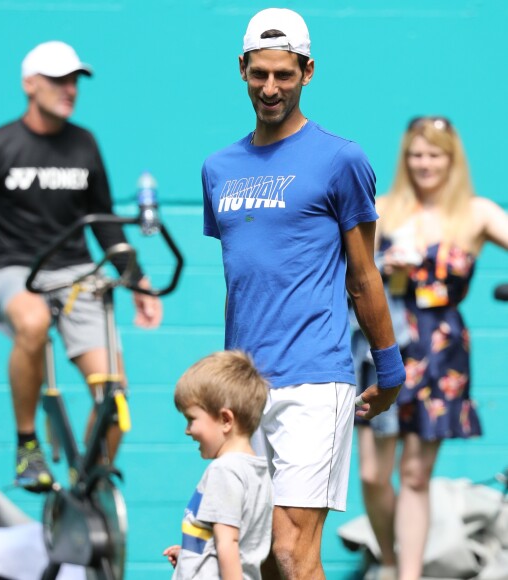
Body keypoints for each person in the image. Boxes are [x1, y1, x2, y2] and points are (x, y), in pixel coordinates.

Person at [201, 8, 406, 580]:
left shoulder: (341, 159)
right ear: (241, 69)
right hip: (245, 389)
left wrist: (388, 370)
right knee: (257, 552)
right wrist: (225, 378)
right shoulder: (218, 168)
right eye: (259, 74)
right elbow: (238, 280)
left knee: (293, 552)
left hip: (315, 378)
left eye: (284, 75)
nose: (271, 88)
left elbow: (363, 275)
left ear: (307, 72)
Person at [0, 41, 162, 492]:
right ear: (30, 84)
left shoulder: (85, 144)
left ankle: (85, 491)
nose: (70, 89)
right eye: (59, 80)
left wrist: (137, 280)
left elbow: (105, 224)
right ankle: (28, 444)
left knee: (115, 400)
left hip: (78, 272)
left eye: (74, 81)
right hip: (16, 271)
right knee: (34, 321)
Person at [356, 116, 508, 580]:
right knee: (372, 474)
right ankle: (387, 556)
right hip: (383, 342)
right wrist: (383, 262)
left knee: (417, 475)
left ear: (451, 159)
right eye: (416, 154)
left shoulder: (477, 212)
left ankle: (408, 576)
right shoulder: (384, 208)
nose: (425, 163)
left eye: (435, 154)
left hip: (442, 349)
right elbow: (345, 266)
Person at [163, 350, 273, 579]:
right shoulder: (257, 471)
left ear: (225, 420)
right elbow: (235, 542)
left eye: (192, 419)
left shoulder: (224, 471)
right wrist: (191, 558)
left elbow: (228, 544)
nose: (187, 430)